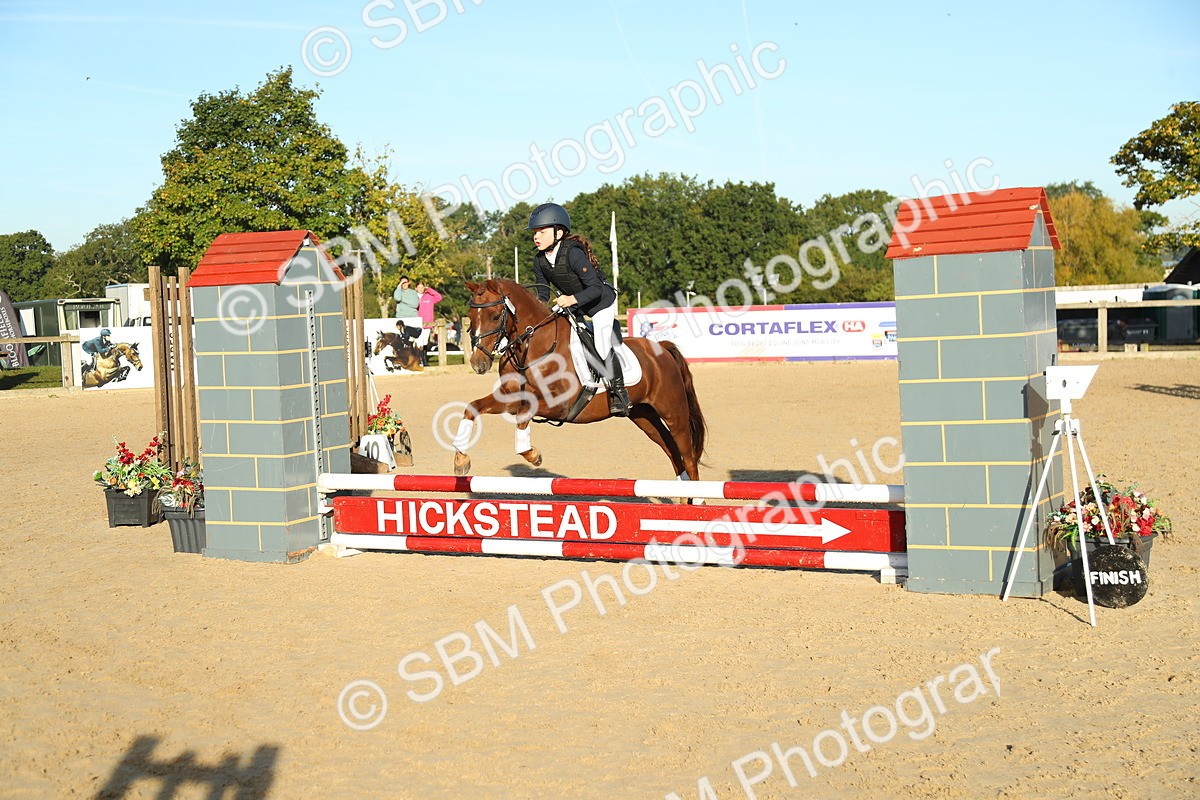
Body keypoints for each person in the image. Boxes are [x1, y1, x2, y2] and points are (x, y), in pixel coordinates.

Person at [528, 202, 630, 416]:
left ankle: (620, 394)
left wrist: (571, 299)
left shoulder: (573, 254)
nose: (536, 236)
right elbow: (543, 294)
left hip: (600, 303)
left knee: (602, 346)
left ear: (559, 232)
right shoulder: (539, 260)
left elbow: (595, 287)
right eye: (535, 232)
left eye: (542, 232)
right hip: (575, 305)